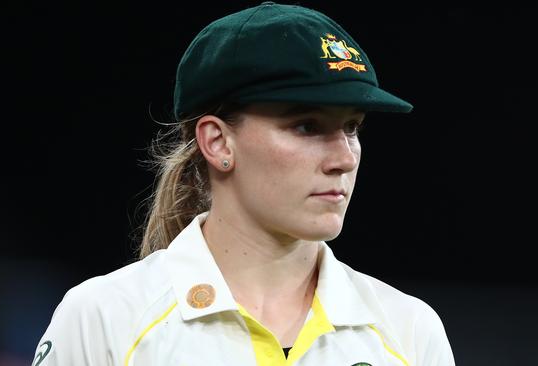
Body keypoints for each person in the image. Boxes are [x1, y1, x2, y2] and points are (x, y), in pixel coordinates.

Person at [32, 2, 455, 365]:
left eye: (352, 127)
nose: (344, 158)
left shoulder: (409, 331)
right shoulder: (105, 318)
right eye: (306, 126)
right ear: (217, 142)